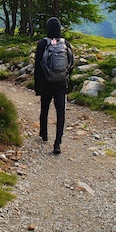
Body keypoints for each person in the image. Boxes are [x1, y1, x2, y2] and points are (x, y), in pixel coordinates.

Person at [34, 17, 74, 154]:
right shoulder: (65, 43)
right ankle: (57, 143)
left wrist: (37, 87)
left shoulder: (43, 43)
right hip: (61, 83)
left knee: (44, 108)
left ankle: (44, 134)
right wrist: (67, 81)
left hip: (47, 82)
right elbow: (71, 63)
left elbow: (38, 66)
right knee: (60, 112)